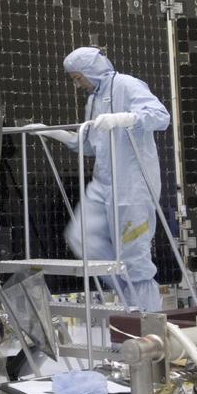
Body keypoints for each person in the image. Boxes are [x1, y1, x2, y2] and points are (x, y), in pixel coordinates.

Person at [34, 47, 169, 311]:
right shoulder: (93, 101)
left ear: (91, 70)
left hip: (132, 185)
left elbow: (160, 116)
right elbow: (87, 144)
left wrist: (125, 118)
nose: (77, 84)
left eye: (77, 77)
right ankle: (128, 296)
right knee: (81, 237)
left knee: (133, 257)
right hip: (103, 183)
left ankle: (147, 323)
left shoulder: (127, 85)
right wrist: (49, 133)